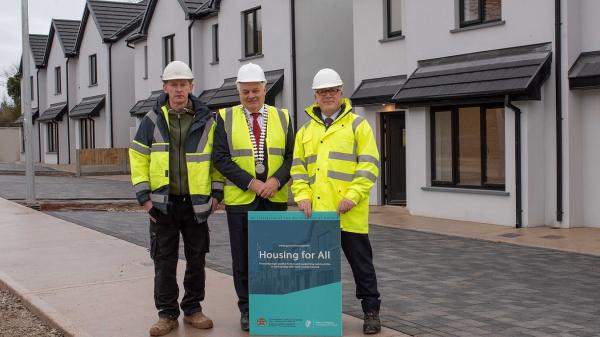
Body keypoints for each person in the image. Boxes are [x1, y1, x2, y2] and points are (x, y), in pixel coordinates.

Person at [129, 60, 223, 336]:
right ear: (165, 87)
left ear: (191, 87)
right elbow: (138, 157)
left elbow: (217, 159)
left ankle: (193, 309)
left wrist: (217, 193)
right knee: (164, 260)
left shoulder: (208, 119)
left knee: (197, 259)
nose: (179, 89)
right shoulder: (151, 119)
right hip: (162, 205)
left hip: (196, 204)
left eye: (183, 84)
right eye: (174, 84)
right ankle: (167, 314)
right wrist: (144, 197)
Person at [291, 68, 382, 334]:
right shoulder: (305, 131)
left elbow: (369, 166)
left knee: (362, 266)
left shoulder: (358, 125)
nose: (327, 96)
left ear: (341, 93)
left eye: (332, 91)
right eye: (322, 92)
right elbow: (298, 170)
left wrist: (352, 196)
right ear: (315, 96)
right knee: (318, 268)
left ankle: (371, 311)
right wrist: (302, 196)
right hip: (317, 215)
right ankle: (318, 313)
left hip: (348, 214)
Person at [211, 63, 294, 331]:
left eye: (255, 90)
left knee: (273, 257)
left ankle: (271, 306)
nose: (251, 96)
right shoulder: (223, 117)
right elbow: (220, 159)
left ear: (264, 89)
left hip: (274, 198)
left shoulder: (283, 117)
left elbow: (293, 157)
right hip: (241, 201)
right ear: (238, 92)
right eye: (245, 91)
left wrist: (276, 180)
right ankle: (247, 309)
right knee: (243, 259)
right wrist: (252, 184)